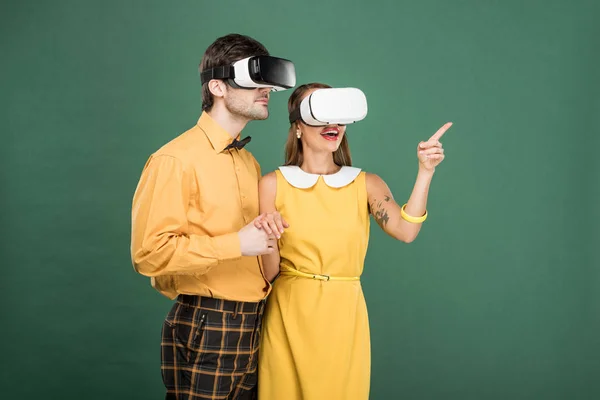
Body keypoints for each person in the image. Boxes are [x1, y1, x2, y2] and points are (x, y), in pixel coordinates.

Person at [255, 82, 452, 399]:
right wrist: (265, 236)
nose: (333, 124)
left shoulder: (366, 184)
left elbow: (406, 230)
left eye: (338, 115)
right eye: (320, 114)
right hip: (288, 313)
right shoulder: (271, 184)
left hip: (344, 315)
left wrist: (425, 172)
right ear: (298, 128)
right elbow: (269, 272)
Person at [130, 33, 294, 400]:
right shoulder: (174, 160)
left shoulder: (248, 162)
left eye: (266, 81)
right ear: (217, 86)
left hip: (253, 319)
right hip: (208, 320)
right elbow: (148, 253)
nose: (265, 89)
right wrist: (236, 243)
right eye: (253, 81)